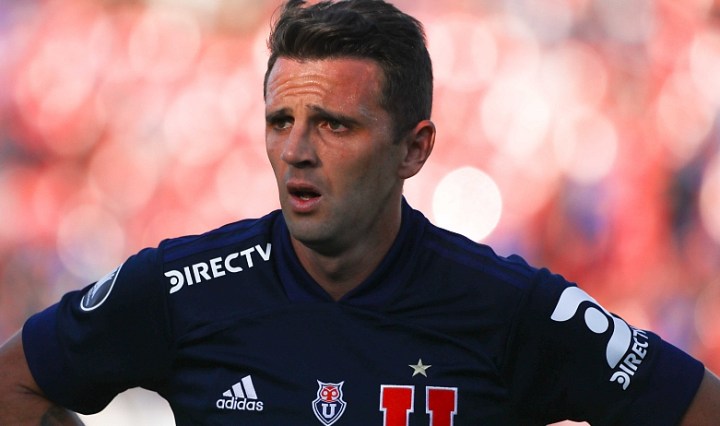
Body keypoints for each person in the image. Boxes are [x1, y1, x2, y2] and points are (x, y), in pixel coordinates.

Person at [1, 0, 720, 424]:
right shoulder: (178, 287)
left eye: (334, 125)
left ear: (414, 149)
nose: (296, 151)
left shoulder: (513, 308)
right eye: (280, 121)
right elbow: (14, 383)